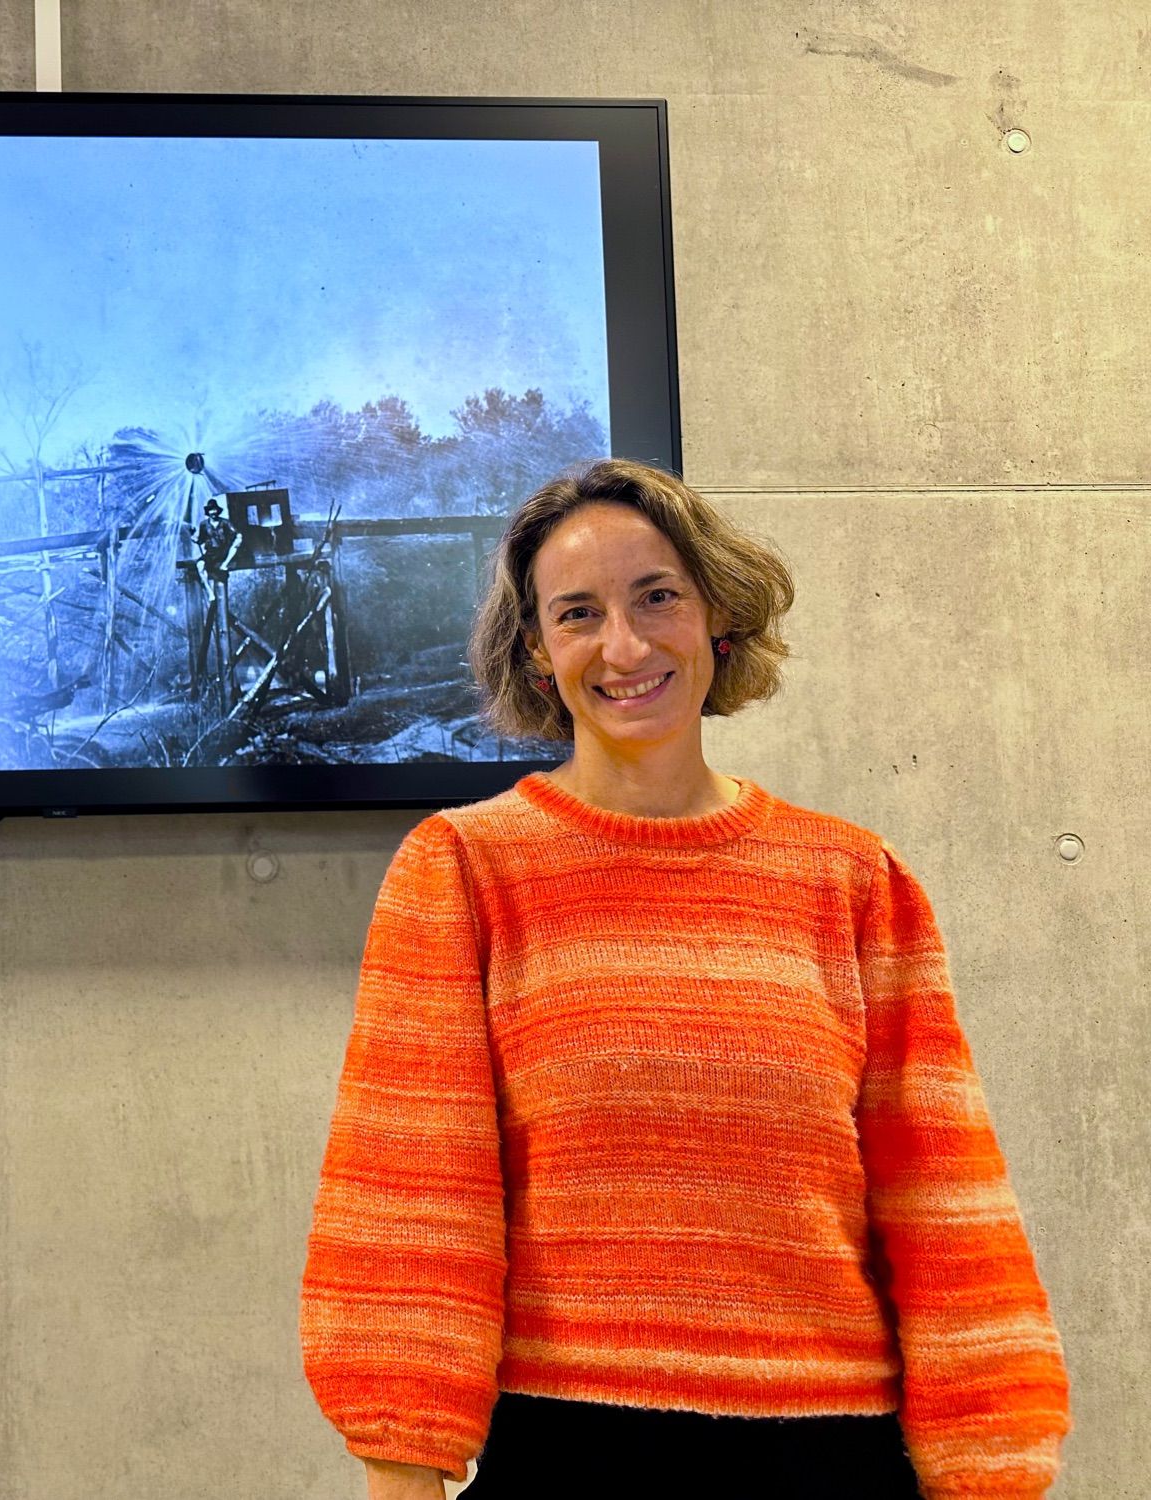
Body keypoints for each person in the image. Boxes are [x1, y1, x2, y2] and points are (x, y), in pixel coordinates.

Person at [298, 458, 1071, 1499]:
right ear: (536, 652)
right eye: (576, 614)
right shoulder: (463, 871)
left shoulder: (850, 881)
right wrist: (400, 1472)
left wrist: (991, 1470)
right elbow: (408, 1205)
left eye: (655, 596)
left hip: (832, 1457)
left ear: (715, 615)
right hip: (567, 1456)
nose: (623, 646)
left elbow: (942, 1202)